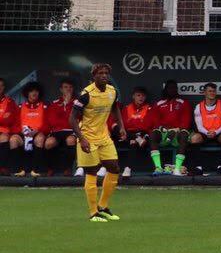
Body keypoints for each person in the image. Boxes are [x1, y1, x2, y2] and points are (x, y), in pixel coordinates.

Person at [76, 64, 122, 221]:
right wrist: (81, 138)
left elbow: (115, 107)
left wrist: (121, 126)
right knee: (92, 171)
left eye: (106, 73)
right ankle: (93, 212)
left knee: (114, 168)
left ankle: (103, 206)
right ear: (94, 76)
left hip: (104, 137)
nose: (104, 75)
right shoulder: (86, 94)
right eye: (100, 73)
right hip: (87, 137)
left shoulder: (112, 91)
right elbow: (71, 118)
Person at [189, 83, 221, 174]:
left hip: (219, 132)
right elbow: (199, 126)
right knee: (194, 138)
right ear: (204, 92)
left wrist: (215, 132)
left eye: (214, 91)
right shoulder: (198, 107)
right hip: (205, 133)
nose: (212, 93)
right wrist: (207, 132)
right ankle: (198, 167)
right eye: (210, 91)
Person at [151, 81, 191, 176]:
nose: (172, 90)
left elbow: (186, 121)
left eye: (174, 88)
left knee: (184, 134)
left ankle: (177, 168)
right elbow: (155, 122)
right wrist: (164, 129)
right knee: (154, 134)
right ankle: (158, 167)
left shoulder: (183, 103)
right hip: (164, 133)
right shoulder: (159, 104)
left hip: (178, 133)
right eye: (169, 88)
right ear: (165, 90)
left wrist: (177, 129)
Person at [117, 86, 156, 178]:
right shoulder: (127, 108)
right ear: (133, 96)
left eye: (143, 96)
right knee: (129, 137)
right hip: (128, 135)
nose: (141, 98)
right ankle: (136, 138)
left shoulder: (149, 108)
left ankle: (127, 168)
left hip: (144, 136)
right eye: (138, 95)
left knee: (134, 143)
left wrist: (137, 129)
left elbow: (148, 125)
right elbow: (125, 124)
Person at [44, 77, 80, 176]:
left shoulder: (78, 103)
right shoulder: (55, 103)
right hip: (57, 131)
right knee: (49, 143)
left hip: (71, 131)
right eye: (65, 87)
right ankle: (50, 168)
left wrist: (68, 104)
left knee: (70, 140)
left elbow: (78, 118)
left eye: (70, 87)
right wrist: (65, 104)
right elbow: (52, 120)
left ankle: (68, 169)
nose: (68, 89)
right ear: (61, 89)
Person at [17, 83, 50, 175]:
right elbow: (16, 123)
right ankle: (20, 170)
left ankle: (35, 170)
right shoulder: (20, 106)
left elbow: (48, 123)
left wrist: (37, 131)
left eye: (36, 91)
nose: (34, 93)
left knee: (39, 139)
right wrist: (22, 132)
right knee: (13, 140)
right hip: (23, 133)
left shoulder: (45, 106)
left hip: (38, 133)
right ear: (27, 93)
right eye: (31, 91)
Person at [0, 86, 20, 175]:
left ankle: (2, 167)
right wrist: (2, 118)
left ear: (4, 87)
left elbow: (9, 119)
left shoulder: (9, 102)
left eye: (0, 85)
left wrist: (4, 119)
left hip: (4, 131)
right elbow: (4, 119)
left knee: (4, 138)